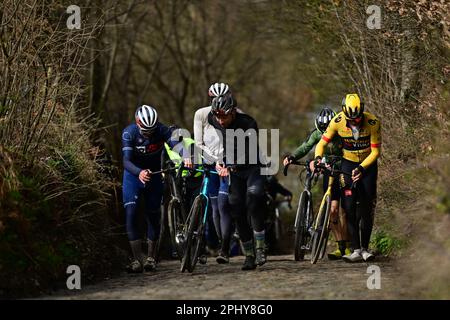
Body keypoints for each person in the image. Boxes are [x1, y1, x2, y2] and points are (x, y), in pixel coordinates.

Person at [314, 94, 381, 262]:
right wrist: (317, 159)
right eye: (351, 120)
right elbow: (321, 143)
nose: (355, 122)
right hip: (348, 164)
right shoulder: (337, 121)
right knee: (349, 207)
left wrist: (361, 168)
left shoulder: (373, 122)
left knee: (366, 208)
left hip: (367, 166)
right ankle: (355, 249)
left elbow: (375, 152)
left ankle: (365, 248)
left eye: (357, 118)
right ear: (344, 113)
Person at [208, 93, 267, 270]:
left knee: (254, 198)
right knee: (236, 209)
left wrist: (229, 163)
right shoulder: (213, 119)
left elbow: (248, 151)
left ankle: (260, 248)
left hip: (252, 168)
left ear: (233, 112)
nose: (220, 120)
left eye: (224, 116)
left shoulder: (248, 123)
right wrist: (220, 160)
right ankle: (249, 255)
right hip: (235, 172)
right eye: (217, 116)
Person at [283, 107, 351, 259]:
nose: (326, 133)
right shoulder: (317, 133)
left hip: (342, 171)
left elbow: (350, 153)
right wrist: (292, 156)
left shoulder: (342, 133)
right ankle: (341, 247)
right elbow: (306, 146)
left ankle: (348, 245)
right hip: (328, 172)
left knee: (343, 210)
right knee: (332, 210)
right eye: (322, 130)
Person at [122, 105, 181, 273]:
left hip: (155, 176)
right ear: (138, 122)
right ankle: (136, 259)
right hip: (133, 176)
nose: (149, 135)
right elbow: (126, 161)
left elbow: (176, 144)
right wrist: (139, 172)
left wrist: (185, 156)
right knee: (131, 212)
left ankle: (151, 258)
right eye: (145, 131)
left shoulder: (162, 130)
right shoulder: (129, 133)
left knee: (153, 214)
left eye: (152, 131)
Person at [193, 82, 235, 264]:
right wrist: (214, 160)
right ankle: (214, 244)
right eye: (213, 99)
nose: (217, 102)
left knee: (224, 204)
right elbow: (198, 143)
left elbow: (238, 143)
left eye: (221, 99)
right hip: (210, 164)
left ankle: (225, 248)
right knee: (214, 208)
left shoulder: (234, 114)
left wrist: (227, 163)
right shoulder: (201, 114)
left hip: (226, 165)